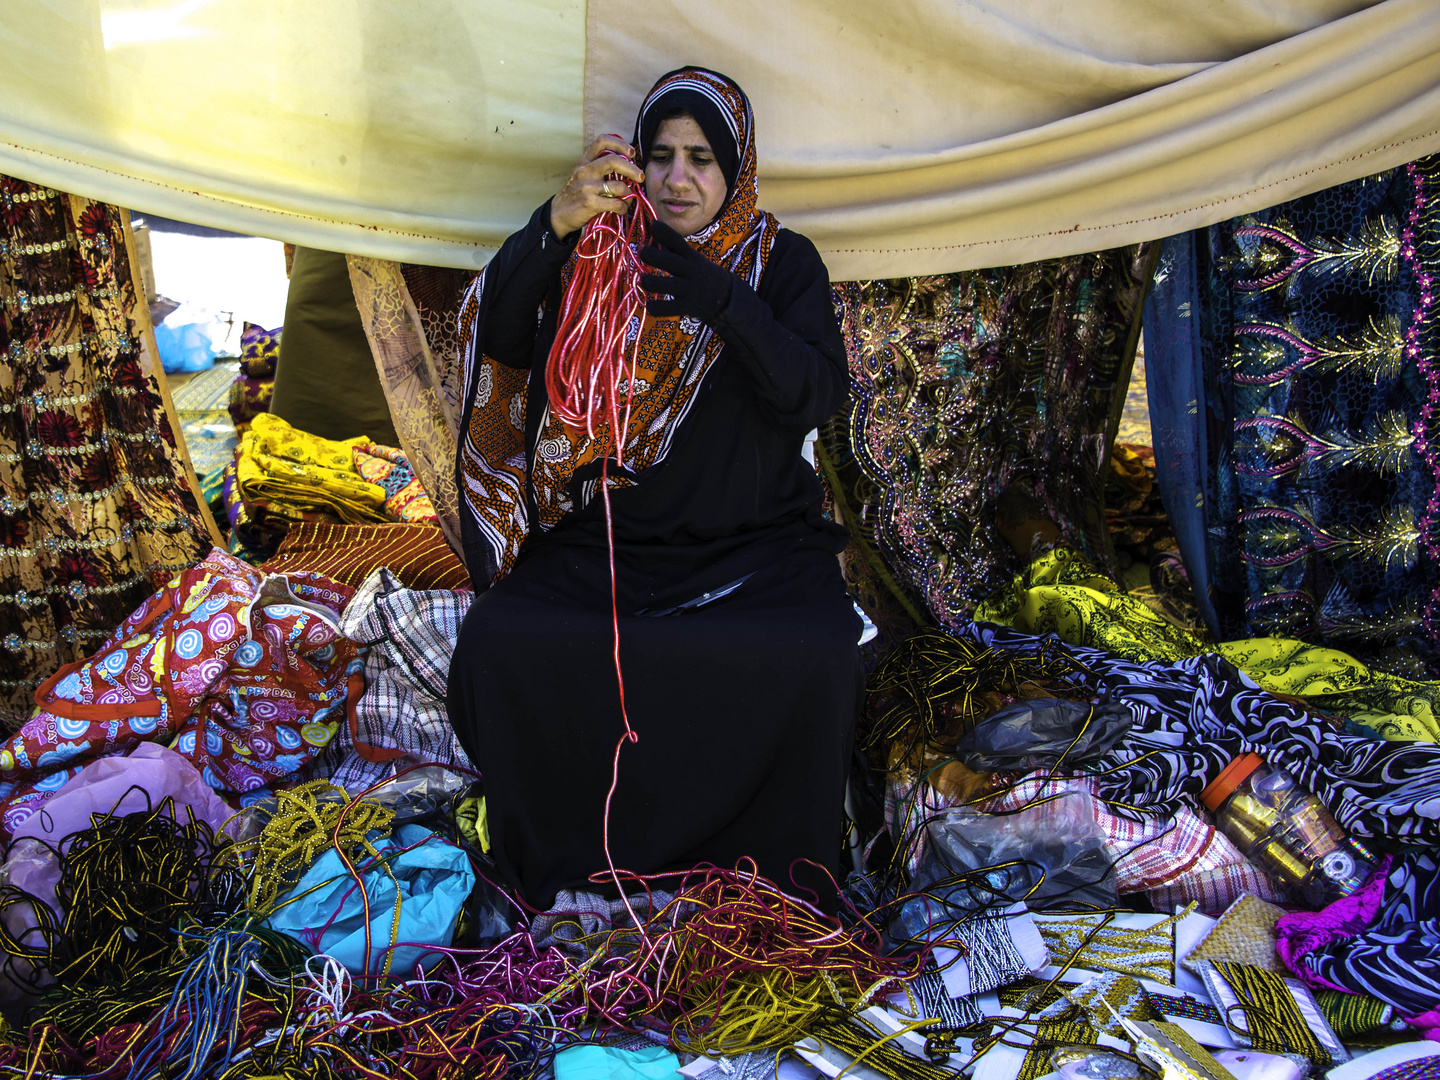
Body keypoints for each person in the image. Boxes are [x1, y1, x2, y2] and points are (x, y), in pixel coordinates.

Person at [446, 67, 862, 913]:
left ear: (736, 168)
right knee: (499, 637)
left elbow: (813, 393)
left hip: (754, 553)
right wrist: (552, 227)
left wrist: (726, 305)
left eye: (703, 158)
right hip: (609, 549)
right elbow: (500, 338)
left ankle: (772, 874)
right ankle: (562, 860)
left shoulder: (782, 262)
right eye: (661, 155)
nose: (678, 179)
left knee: (817, 653)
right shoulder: (603, 251)